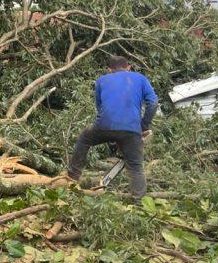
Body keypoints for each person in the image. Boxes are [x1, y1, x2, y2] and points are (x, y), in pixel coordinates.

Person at [66, 55, 158, 200]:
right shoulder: (140, 78)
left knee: (84, 138)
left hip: (104, 125)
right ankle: (139, 202)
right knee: (135, 166)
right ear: (128, 68)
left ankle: (72, 177)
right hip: (132, 129)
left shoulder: (101, 81)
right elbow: (153, 103)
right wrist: (143, 126)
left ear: (109, 70)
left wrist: (111, 133)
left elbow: (100, 108)